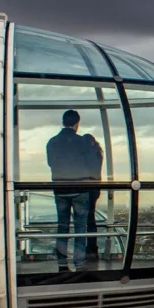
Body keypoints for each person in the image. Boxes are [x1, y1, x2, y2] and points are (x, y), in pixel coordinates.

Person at [46, 110, 99, 272]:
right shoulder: (82, 142)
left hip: (60, 189)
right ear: (77, 123)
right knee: (80, 227)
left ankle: (62, 262)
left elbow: (51, 163)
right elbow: (91, 165)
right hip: (80, 189)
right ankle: (79, 263)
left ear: (63, 122)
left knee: (62, 226)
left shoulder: (52, 142)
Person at [82, 133, 104, 262]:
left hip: (86, 189)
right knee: (91, 219)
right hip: (95, 189)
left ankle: (88, 248)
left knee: (83, 219)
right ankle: (92, 248)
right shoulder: (98, 154)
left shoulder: (87, 155)